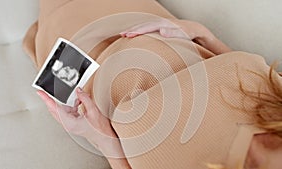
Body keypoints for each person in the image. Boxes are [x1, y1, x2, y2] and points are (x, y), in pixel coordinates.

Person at [24, 0, 282, 168]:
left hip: (85, 64)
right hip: (143, 20)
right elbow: (244, 68)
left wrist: (99, 137)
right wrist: (203, 34)